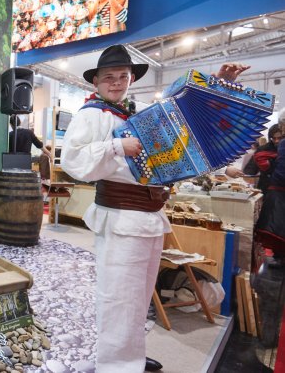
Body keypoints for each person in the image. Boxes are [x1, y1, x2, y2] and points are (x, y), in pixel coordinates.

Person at [60, 44, 247, 372]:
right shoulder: (91, 114)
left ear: (131, 78)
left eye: (122, 76)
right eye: (109, 78)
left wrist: (215, 86)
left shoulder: (140, 109)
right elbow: (73, 160)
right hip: (120, 215)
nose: (116, 82)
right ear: (97, 82)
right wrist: (117, 145)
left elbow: (183, 126)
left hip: (149, 215)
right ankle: (115, 365)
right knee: (118, 295)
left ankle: (128, 355)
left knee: (139, 293)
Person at [255, 111, 285, 256]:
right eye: (274, 138)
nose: (277, 140)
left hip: (277, 192)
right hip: (270, 189)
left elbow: (279, 172)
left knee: (277, 229)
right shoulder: (265, 149)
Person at [244, 125, 282, 194]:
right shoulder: (262, 150)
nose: (277, 141)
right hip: (266, 188)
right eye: (274, 138)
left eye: (280, 138)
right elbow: (250, 169)